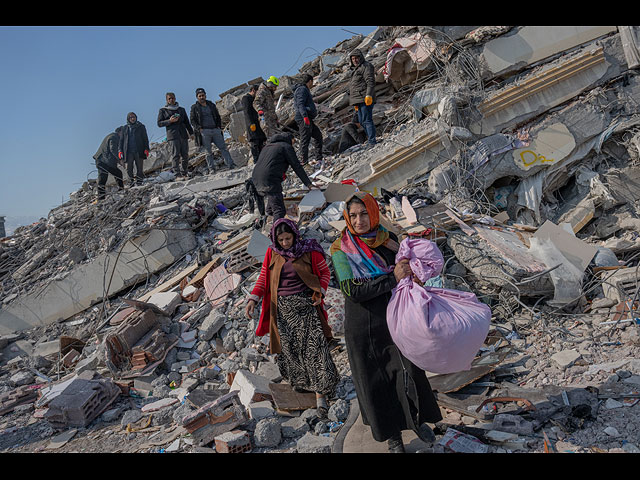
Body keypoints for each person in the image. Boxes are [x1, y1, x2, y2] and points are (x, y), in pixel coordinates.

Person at [330, 191, 442, 453]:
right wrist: (392, 277)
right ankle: (393, 438)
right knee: (378, 381)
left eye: (364, 213)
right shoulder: (340, 250)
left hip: (396, 317)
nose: (359, 221)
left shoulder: (388, 240)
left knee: (410, 371)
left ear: (374, 211)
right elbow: (352, 290)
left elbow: (405, 271)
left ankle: (417, 421)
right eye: (353, 216)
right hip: (364, 324)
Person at [245, 217, 339, 416]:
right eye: (282, 240)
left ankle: (321, 395)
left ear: (295, 235)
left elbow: (324, 273)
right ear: (275, 240)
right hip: (283, 310)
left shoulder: (309, 251)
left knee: (315, 349)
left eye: (289, 238)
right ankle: (303, 384)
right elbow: (264, 277)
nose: (286, 243)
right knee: (291, 350)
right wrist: (253, 298)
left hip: (306, 306)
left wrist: (319, 292)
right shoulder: (272, 253)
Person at [251, 132, 316, 221]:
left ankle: (269, 221)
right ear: (290, 139)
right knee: (279, 210)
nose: (294, 143)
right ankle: (277, 232)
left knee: (272, 205)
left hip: (256, 178)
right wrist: (308, 184)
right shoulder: (286, 147)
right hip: (270, 179)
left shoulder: (267, 147)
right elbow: (296, 166)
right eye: (293, 141)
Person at [189, 87, 234, 173]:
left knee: (223, 148)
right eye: (200, 96)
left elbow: (217, 116)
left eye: (203, 95)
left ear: (205, 95)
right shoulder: (195, 107)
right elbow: (192, 120)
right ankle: (211, 168)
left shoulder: (211, 105)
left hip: (215, 130)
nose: (202, 97)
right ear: (197, 97)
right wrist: (199, 129)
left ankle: (231, 165)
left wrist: (218, 127)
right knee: (208, 152)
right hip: (205, 132)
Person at [157, 92, 194, 178]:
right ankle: (177, 175)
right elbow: (159, 123)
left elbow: (187, 122)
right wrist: (170, 121)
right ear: (167, 100)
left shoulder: (181, 109)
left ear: (175, 98)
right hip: (172, 136)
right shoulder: (163, 110)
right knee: (175, 155)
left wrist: (191, 133)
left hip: (183, 135)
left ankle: (184, 172)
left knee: (185, 155)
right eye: (169, 98)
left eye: (172, 98)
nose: (171, 100)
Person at [348, 49, 377, 146]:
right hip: (358, 100)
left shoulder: (366, 66)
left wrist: (368, 95)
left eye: (356, 58)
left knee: (367, 120)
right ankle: (370, 139)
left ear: (361, 57)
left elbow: (370, 81)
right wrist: (355, 102)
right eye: (353, 59)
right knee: (361, 121)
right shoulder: (356, 70)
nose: (355, 60)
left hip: (365, 98)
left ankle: (372, 141)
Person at [293, 73, 323, 166]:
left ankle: (319, 158)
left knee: (318, 136)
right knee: (305, 139)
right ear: (309, 81)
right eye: (312, 82)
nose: (312, 84)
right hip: (303, 118)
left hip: (307, 118)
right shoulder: (302, 89)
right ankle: (303, 162)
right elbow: (300, 104)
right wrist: (305, 116)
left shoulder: (304, 89)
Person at [93, 127, 124, 202]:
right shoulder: (114, 137)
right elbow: (112, 149)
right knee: (103, 179)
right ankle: (101, 198)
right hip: (103, 161)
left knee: (118, 173)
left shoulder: (113, 136)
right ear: (120, 132)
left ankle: (121, 190)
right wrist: (120, 160)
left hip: (105, 161)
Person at [118, 112, 150, 186]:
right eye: (131, 117)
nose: (132, 119)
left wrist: (146, 148)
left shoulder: (141, 127)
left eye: (134, 117)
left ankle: (139, 182)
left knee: (139, 167)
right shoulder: (125, 128)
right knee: (129, 168)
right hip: (128, 151)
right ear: (128, 119)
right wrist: (120, 150)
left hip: (139, 150)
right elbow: (121, 141)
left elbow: (145, 138)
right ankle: (131, 183)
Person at [241, 84, 266, 163]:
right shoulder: (246, 99)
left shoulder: (255, 99)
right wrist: (251, 123)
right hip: (252, 125)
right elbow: (247, 113)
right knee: (255, 143)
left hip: (258, 124)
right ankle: (257, 161)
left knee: (261, 142)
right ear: (253, 90)